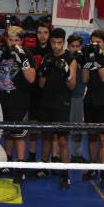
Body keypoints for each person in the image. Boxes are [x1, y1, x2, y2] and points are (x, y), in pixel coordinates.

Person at [0, 26, 36, 184]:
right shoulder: (1, 53)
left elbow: (31, 79)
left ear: (21, 41)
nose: (13, 43)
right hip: (2, 101)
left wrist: (22, 60)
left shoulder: (27, 54)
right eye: (10, 40)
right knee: (7, 134)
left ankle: (20, 169)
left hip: (20, 101)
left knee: (19, 136)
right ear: (6, 40)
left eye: (16, 40)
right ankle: (7, 163)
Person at [37, 28, 76, 188]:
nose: (56, 45)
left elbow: (72, 85)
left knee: (62, 140)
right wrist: (43, 72)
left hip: (62, 104)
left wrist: (66, 72)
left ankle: (65, 174)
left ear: (64, 42)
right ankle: (44, 167)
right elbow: (41, 85)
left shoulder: (70, 59)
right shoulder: (47, 57)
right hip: (46, 102)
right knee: (45, 137)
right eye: (53, 42)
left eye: (59, 43)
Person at [81, 29, 104, 189]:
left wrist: (97, 59)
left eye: (98, 42)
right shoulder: (90, 56)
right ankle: (93, 167)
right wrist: (86, 61)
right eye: (93, 42)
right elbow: (84, 79)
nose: (95, 45)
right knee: (91, 136)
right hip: (89, 101)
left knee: (103, 138)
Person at [26, 22, 52, 166]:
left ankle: (49, 158)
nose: (42, 36)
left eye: (45, 32)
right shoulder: (30, 52)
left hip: (49, 94)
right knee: (33, 126)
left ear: (49, 34)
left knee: (48, 129)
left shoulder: (54, 52)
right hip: (34, 92)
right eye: (40, 32)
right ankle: (32, 154)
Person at [66, 34, 89, 164]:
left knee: (77, 128)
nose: (75, 49)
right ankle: (58, 155)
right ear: (68, 46)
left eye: (77, 46)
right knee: (61, 128)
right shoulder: (65, 58)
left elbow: (86, 79)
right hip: (64, 96)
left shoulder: (84, 59)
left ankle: (76, 154)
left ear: (81, 46)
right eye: (72, 46)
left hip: (78, 97)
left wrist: (83, 62)